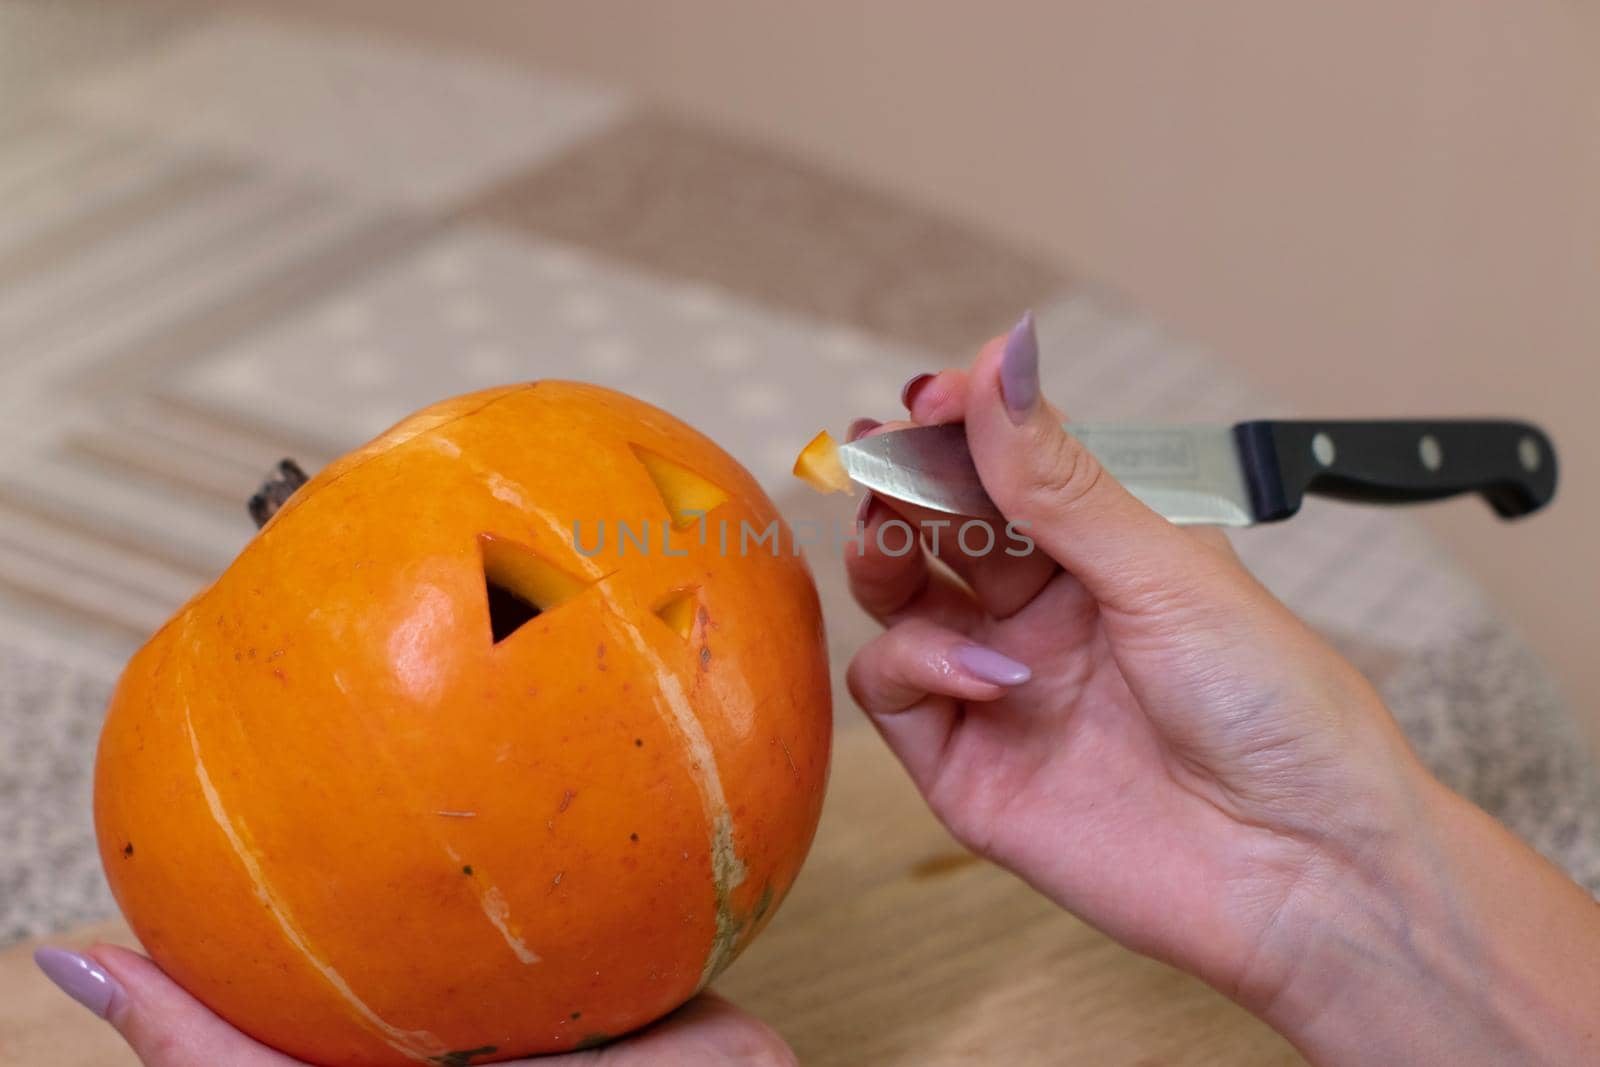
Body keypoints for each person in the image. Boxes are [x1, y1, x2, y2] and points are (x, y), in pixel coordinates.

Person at [35, 314, 1600, 1065]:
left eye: (513, 601)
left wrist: (1337, 867)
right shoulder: (191, 742)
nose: (604, 648)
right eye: (521, 609)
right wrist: (1338, 881)